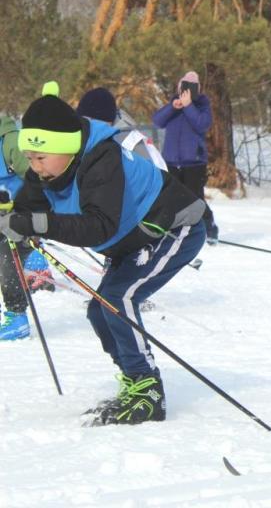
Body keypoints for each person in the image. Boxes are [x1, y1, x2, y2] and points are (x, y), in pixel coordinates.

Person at [0, 95, 206, 425]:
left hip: (172, 226)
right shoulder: (50, 171)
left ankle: (148, 392)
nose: (34, 167)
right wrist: (13, 217)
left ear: (66, 147)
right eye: (29, 158)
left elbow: (99, 226)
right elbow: (27, 207)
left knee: (117, 298)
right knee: (99, 309)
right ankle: (134, 381)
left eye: (40, 157)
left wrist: (38, 224)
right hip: (131, 239)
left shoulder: (101, 158)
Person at [0, 116, 54, 341]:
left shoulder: (11, 141)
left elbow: (36, 177)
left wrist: (20, 205)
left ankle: (17, 315)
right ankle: (34, 262)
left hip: (20, 214)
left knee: (5, 257)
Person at [152, 71, 218, 243]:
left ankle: (209, 228)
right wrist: (173, 107)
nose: (186, 91)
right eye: (183, 87)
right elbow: (157, 121)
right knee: (171, 197)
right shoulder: (174, 105)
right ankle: (173, 231)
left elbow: (201, 124)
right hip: (172, 161)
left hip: (194, 162)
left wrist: (189, 106)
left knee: (195, 198)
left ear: (197, 90)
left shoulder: (203, 106)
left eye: (191, 88)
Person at [77, 87, 168, 171]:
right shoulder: (91, 141)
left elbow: (158, 177)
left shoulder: (130, 142)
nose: (85, 127)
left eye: (88, 121)